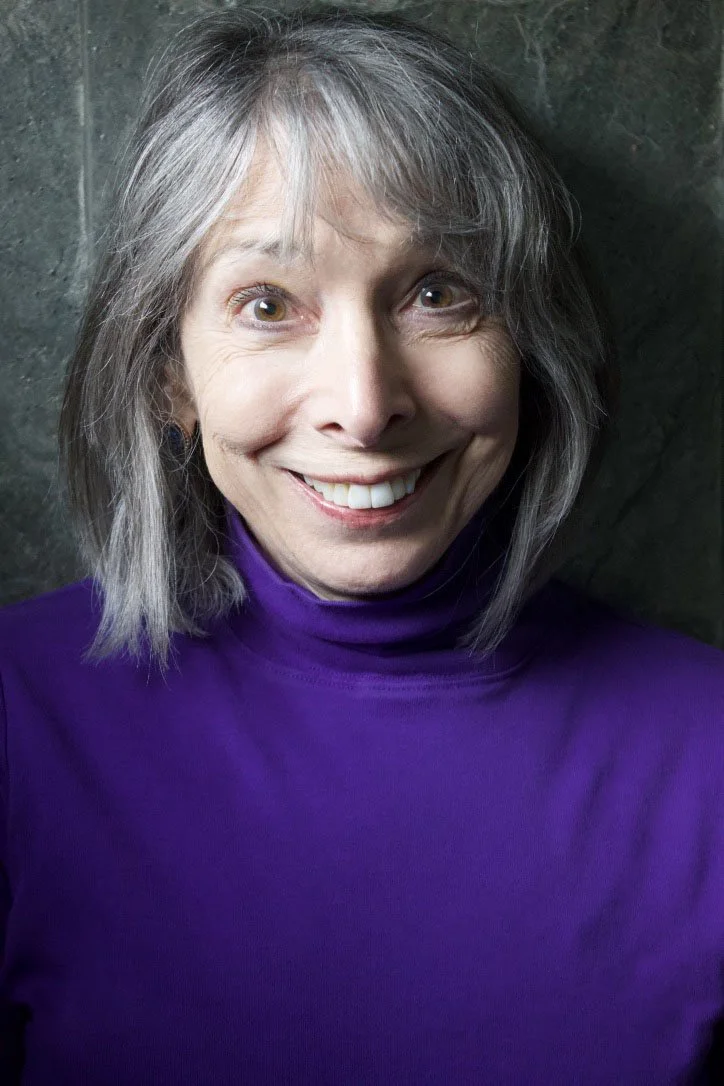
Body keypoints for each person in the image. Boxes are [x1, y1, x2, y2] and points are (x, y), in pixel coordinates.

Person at [0, 4, 722, 1083]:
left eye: (438, 294)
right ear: (168, 371)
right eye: (267, 303)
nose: (365, 403)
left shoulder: (706, 753)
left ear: (529, 341)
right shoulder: (15, 722)